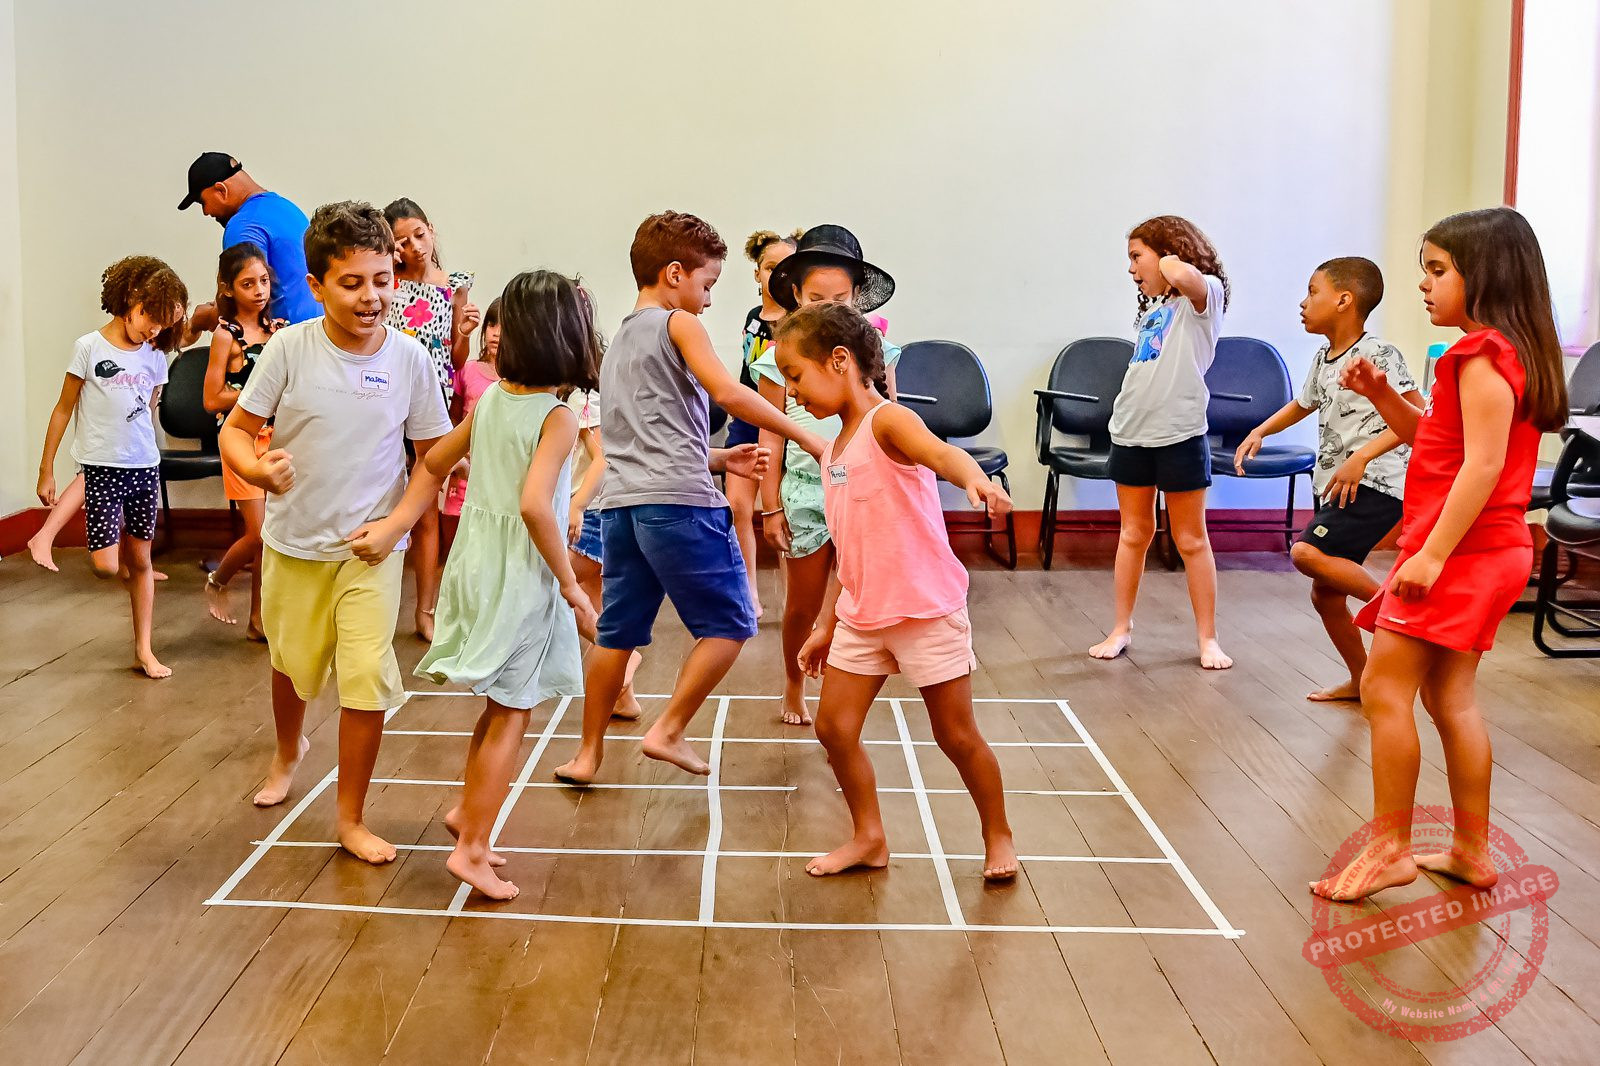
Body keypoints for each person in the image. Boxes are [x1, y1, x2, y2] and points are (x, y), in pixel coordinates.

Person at [1311, 207, 1567, 901]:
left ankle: (1391, 851)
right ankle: (1470, 853)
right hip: (1493, 550)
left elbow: (1480, 467)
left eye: (1437, 270)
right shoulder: (1505, 352)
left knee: (1383, 688)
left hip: (1462, 552)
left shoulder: (1478, 354)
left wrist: (1430, 556)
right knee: (1450, 695)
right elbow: (1438, 443)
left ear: (1484, 277)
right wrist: (1382, 395)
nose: (1423, 285)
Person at [349, 271, 601, 901]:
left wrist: (452, 485)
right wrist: (571, 587)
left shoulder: (491, 400)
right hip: (521, 573)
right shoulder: (559, 416)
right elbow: (538, 507)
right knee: (514, 712)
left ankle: (468, 815)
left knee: (499, 705)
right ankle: (472, 849)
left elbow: (434, 460)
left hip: (477, 563)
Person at [552, 211, 824, 785]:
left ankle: (587, 754)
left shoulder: (619, 340)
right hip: (679, 507)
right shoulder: (679, 325)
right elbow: (727, 391)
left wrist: (722, 458)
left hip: (622, 509)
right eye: (706, 287)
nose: (706, 302)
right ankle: (669, 728)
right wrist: (806, 434)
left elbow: (645, 440)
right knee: (734, 622)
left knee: (616, 635)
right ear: (674, 274)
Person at [220, 201, 452, 865]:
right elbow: (235, 432)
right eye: (352, 283)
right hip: (296, 545)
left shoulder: (409, 359)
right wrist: (258, 471)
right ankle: (289, 747)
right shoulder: (291, 349)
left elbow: (432, 457)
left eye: (382, 279)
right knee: (293, 665)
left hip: (370, 552)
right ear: (318, 286)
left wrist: (398, 525)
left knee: (365, 679)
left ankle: (351, 817)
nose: (371, 295)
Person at [776, 301, 1018, 881]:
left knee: (955, 735)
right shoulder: (833, 448)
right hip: (863, 615)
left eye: (795, 376)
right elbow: (849, 549)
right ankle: (869, 837)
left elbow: (941, 453)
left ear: (840, 361)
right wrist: (827, 624)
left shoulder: (888, 422)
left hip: (924, 610)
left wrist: (977, 481)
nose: (791, 392)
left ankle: (998, 834)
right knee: (834, 727)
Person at [1236, 258, 1424, 701]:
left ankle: (1399, 618)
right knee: (1326, 596)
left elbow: (1419, 419)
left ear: (1344, 300)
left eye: (1312, 291)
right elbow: (1303, 404)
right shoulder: (1324, 357)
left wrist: (1362, 456)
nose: (1303, 303)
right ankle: (1362, 680)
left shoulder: (1380, 354)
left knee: (1305, 552)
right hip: (1337, 484)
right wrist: (1260, 430)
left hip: (1379, 481)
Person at [751, 224, 901, 726]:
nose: (830, 308)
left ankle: (840, 682)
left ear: (857, 296)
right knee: (804, 603)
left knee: (854, 598)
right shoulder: (777, 363)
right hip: (804, 493)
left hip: (860, 491)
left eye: (841, 299)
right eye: (817, 298)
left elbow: (891, 421)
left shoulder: (877, 352)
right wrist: (770, 504)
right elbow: (769, 438)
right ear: (795, 294)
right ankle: (793, 681)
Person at [35, 256, 189, 678]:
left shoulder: (155, 356)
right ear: (130, 300)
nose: (153, 331)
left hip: (143, 468)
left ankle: (145, 648)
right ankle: (123, 564)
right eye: (149, 319)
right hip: (101, 465)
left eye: (163, 326)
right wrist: (47, 468)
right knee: (105, 567)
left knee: (140, 561)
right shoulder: (88, 347)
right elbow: (63, 409)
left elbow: (149, 409)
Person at [1093, 215, 1232, 670]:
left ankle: (1208, 639)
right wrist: (1155, 264)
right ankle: (1121, 628)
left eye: (1137, 257)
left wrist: (1169, 256)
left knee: (1191, 539)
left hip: (1179, 434)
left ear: (1168, 252)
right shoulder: (1155, 309)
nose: (1132, 269)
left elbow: (1186, 276)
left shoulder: (1203, 297)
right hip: (1131, 431)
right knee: (1134, 533)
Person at [383, 197, 481, 642]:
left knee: (425, 510)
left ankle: (425, 609)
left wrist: (462, 334)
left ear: (432, 230)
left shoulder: (453, 285)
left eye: (419, 235)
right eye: (401, 241)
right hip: (388, 401)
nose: (413, 247)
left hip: (433, 403)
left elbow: (456, 361)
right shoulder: (386, 284)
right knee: (381, 498)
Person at [203, 242, 288, 641]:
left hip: (276, 437)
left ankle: (259, 619)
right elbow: (211, 398)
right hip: (240, 440)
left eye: (264, 281)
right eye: (248, 283)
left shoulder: (279, 331)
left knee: (270, 538)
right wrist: (256, 392)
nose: (259, 290)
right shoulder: (226, 335)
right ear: (228, 289)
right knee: (259, 532)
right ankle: (219, 579)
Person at [725, 229, 799, 618]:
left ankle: (795, 598)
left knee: (785, 508)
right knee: (738, 506)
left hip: (784, 425)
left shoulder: (801, 321)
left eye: (786, 268)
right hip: (747, 421)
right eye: (770, 267)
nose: (778, 276)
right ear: (757, 273)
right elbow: (744, 374)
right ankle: (749, 592)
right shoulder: (753, 318)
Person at [178, 152, 318, 325]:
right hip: (318, 331)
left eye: (202, 202)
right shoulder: (286, 208)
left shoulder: (243, 226)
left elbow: (244, 309)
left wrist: (203, 319)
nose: (206, 212)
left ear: (221, 190)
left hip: (287, 340)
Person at [441, 297, 502, 560]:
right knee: (453, 547)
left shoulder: (518, 382)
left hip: (497, 477)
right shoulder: (468, 371)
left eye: (506, 327)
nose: (496, 333)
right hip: (465, 472)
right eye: (491, 325)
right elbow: (453, 418)